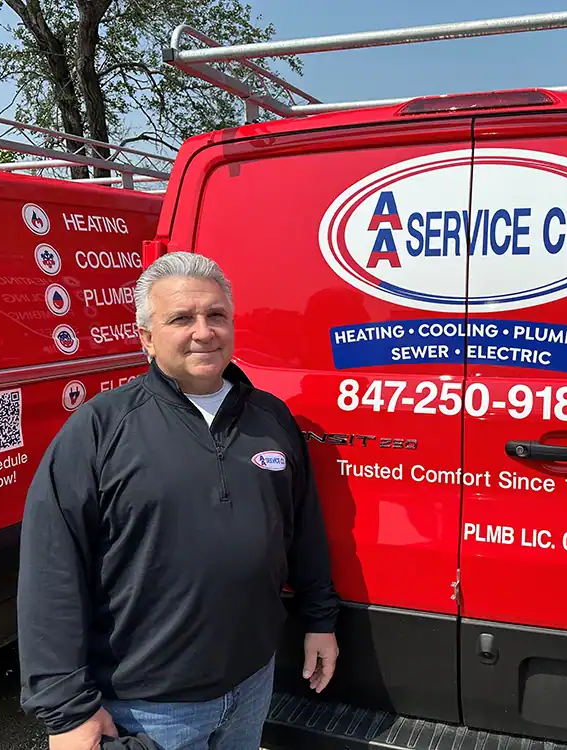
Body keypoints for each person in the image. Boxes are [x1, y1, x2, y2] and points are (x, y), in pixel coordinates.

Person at [17, 251, 340, 750]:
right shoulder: (100, 429)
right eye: (181, 319)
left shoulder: (271, 418)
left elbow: (302, 529)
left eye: (216, 315)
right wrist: (67, 711)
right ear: (146, 337)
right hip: (149, 708)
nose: (203, 332)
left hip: (252, 684)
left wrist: (320, 620)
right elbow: (51, 572)